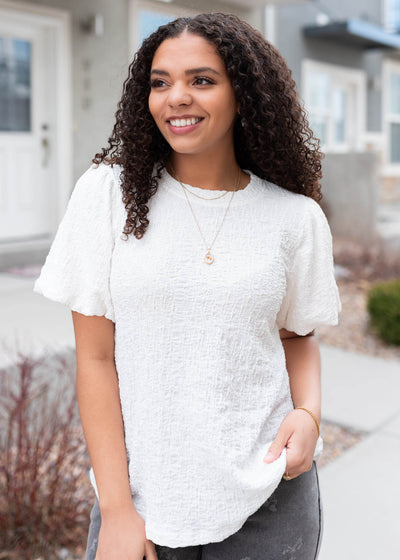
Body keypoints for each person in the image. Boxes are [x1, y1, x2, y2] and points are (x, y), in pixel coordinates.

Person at [34, 12, 341, 560]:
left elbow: (298, 338)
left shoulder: (294, 219)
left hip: (271, 495)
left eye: (201, 79)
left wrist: (309, 415)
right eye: (160, 82)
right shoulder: (108, 196)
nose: (176, 96)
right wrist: (120, 511)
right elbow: (96, 361)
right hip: (146, 502)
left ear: (243, 95)